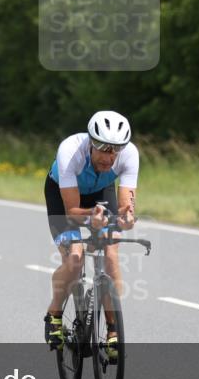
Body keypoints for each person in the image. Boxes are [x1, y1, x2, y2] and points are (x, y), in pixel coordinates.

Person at [44, 110, 139, 357]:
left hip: (100, 191)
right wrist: (92, 218)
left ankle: (113, 332)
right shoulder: (70, 152)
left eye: (116, 149)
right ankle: (54, 314)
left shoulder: (129, 155)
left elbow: (125, 206)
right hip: (65, 196)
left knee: (111, 249)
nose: (110, 157)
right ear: (90, 143)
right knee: (74, 258)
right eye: (104, 148)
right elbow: (73, 211)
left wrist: (126, 220)